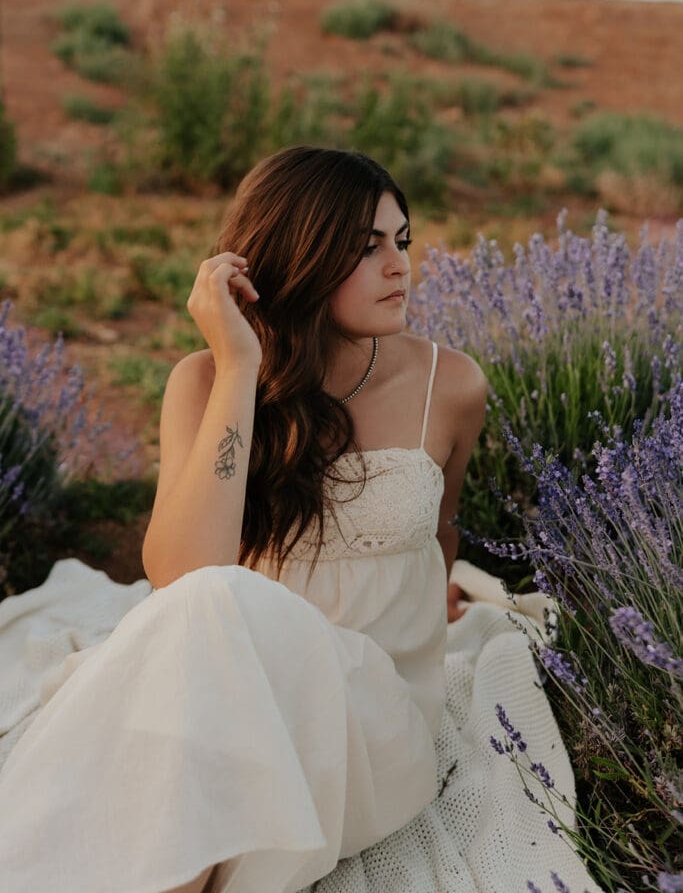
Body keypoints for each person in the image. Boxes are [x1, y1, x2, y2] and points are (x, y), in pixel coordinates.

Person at [0, 147, 602, 893]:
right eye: (365, 247)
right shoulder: (206, 380)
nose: (398, 266)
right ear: (299, 254)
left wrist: (429, 599)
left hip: (371, 724)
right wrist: (241, 370)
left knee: (195, 685)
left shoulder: (447, 385)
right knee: (200, 640)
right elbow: (184, 573)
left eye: (401, 241)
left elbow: (441, 530)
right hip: (235, 697)